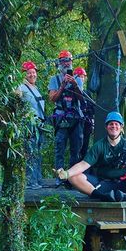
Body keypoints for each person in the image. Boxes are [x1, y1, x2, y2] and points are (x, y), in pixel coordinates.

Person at [55, 111, 126, 202]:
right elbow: (83, 164)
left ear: (121, 127)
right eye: (111, 124)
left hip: (125, 183)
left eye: (117, 124)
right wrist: (66, 173)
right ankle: (101, 196)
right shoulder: (99, 146)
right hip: (103, 184)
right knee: (73, 177)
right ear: (106, 127)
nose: (114, 126)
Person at [48, 50, 85, 186]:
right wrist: (63, 85)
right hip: (61, 117)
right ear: (59, 63)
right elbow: (52, 98)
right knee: (60, 148)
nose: (66, 63)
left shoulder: (78, 79)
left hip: (75, 117)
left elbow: (82, 99)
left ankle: (72, 179)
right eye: (63, 61)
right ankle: (59, 178)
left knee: (76, 149)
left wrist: (75, 84)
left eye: (68, 61)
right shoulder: (55, 79)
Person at [18, 60, 45, 189]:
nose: (32, 75)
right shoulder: (21, 87)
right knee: (31, 151)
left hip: (38, 123)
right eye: (29, 73)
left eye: (33, 72)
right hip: (29, 123)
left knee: (37, 151)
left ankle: (37, 179)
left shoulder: (35, 88)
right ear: (24, 74)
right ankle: (30, 181)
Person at [73, 67, 95, 162]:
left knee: (85, 145)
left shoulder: (87, 93)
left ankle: (84, 167)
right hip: (76, 123)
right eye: (79, 77)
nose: (81, 79)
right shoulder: (71, 91)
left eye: (82, 77)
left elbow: (92, 108)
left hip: (87, 123)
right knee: (76, 146)